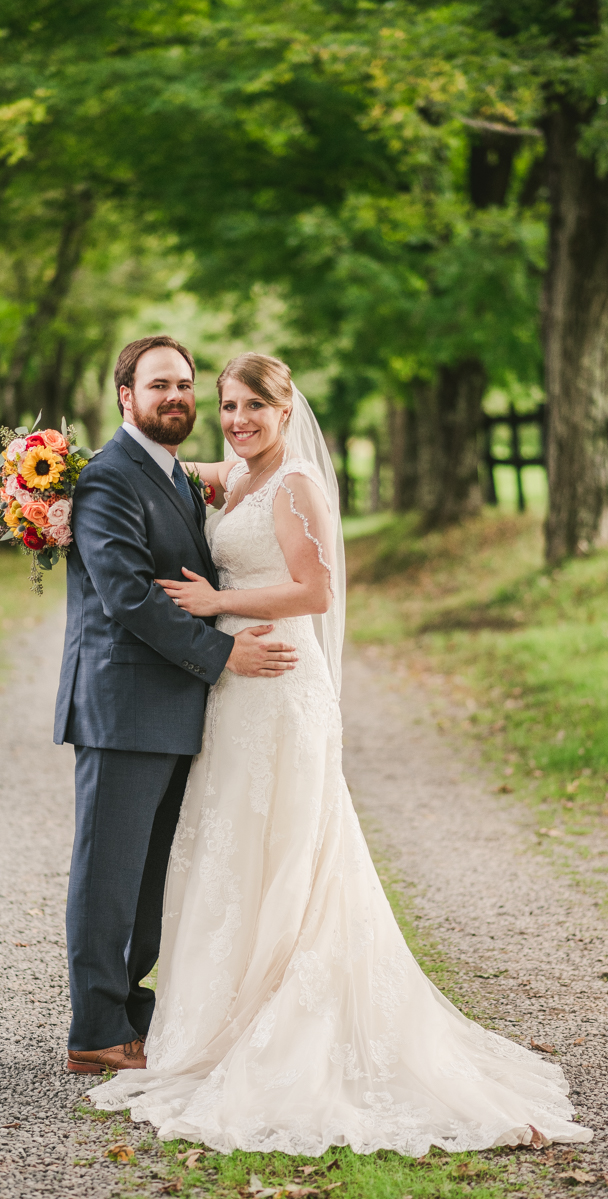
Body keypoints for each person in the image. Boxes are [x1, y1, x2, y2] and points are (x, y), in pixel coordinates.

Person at [87, 352, 592, 1157]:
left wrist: (218, 600)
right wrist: (45, 485)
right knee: (233, 846)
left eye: (255, 404)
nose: (239, 417)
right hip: (234, 693)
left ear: (288, 411)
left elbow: (315, 592)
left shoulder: (296, 485)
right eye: (227, 404)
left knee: (291, 849)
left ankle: (285, 1010)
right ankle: (223, 1009)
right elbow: (147, 465)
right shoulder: (235, 478)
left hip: (282, 684)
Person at [54, 336, 299, 1075]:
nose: (178, 397)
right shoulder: (107, 479)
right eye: (160, 384)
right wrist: (225, 653)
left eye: (187, 385)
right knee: (108, 870)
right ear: (125, 394)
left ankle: (130, 1007)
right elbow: (128, 595)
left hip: (172, 708)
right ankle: (95, 1027)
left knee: (149, 874)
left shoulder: (169, 473)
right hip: (123, 704)